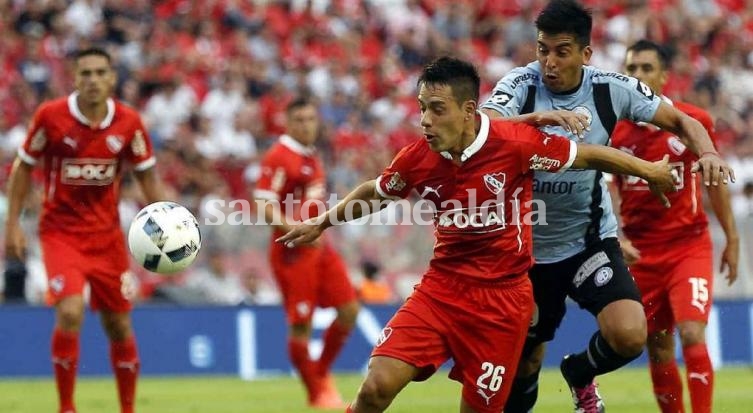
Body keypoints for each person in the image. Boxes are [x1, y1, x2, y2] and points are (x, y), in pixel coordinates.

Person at [278, 56, 677, 413]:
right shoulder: (419, 157)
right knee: (376, 388)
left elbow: (587, 154)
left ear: (468, 111)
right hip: (441, 292)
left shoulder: (515, 145)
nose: (425, 121)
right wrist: (321, 222)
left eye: (437, 110)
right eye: (421, 109)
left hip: (502, 305)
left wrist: (651, 170)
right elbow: (376, 192)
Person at [479, 1, 735, 412]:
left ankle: (580, 372)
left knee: (631, 335)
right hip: (527, 249)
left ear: (585, 54)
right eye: (543, 49)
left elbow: (683, 121)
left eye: (561, 51)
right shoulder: (520, 85)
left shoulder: (611, 87)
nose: (548, 62)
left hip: (589, 240)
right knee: (526, 359)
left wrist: (707, 153)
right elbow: (486, 126)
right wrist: (541, 120)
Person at [4, 48, 162, 413]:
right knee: (71, 311)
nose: (92, 80)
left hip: (107, 238)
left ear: (111, 78)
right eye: (85, 73)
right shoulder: (51, 117)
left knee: (119, 325)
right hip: (61, 233)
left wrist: (168, 221)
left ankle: (127, 408)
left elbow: (147, 175)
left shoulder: (129, 123)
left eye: (99, 73)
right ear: (73, 78)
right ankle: (67, 406)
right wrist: (12, 224)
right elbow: (24, 168)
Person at [610, 39, 739, 413]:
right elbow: (607, 191)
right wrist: (615, 234)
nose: (637, 76)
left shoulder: (691, 121)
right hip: (639, 251)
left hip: (688, 246)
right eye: (631, 69)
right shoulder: (613, 131)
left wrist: (731, 238)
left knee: (692, 332)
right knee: (658, 343)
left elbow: (714, 183)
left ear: (664, 76)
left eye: (646, 68)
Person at [253, 96, 361, 409]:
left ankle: (321, 372)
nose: (306, 125)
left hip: (320, 248)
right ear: (287, 122)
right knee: (301, 325)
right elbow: (262, 203)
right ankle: (318, 392)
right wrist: (295, 231)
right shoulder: (278, 156)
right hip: (293, 253)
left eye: (311, 119)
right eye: (299, 119)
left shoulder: (311, 155)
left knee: (350, 311)